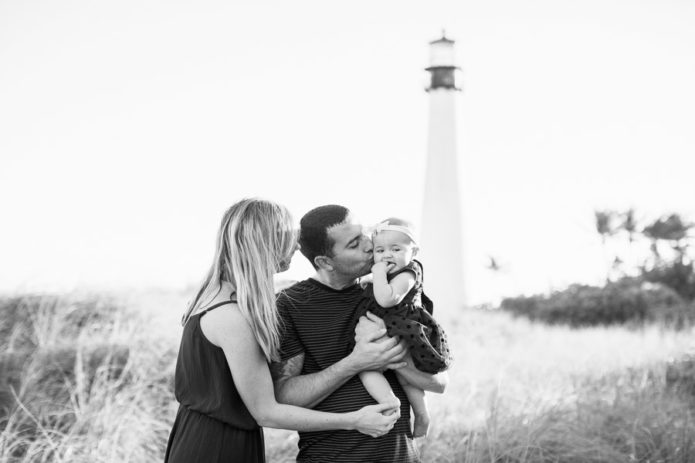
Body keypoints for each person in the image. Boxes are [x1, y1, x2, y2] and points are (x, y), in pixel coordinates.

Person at [164, 199, 399, 463]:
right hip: (216, 448)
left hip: (205, 439)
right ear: (266, 243)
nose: (298, 246)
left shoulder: (214, 297)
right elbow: (266, 412)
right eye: (289, 237)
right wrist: (354, 420)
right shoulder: (232, 317)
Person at [271, 205, 449, 463]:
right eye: (355, 244)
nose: (369, 245)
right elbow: (284, 395)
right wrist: (357, 362)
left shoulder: (397, 289)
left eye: (366, 235)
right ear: (325, 262)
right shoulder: (288, 305)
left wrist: (388, 356)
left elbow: (440, 383)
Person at [351, 217, 452, 439]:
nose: (387, 255)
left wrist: (376, 275)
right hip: (392, 329)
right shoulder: (387, 272)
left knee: (367, 369)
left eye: (396, 249)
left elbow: (388, 299)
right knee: (403, 378)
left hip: (403, 330)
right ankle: (419, 413)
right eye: (380, 250)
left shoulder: (408, 273)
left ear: (413, 252)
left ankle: (393, 403)